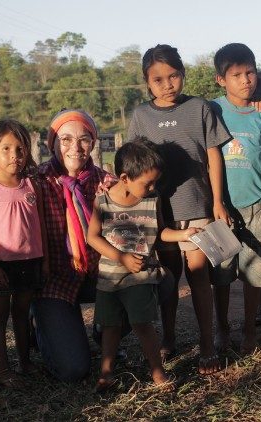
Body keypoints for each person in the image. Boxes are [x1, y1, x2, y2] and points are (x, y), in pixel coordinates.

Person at [127, 44, 232, 375]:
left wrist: (217, 201)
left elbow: (214, 155)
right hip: (160, 212)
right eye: (158, 79)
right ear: (147, 82)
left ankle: (206, 342)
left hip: (198, 205)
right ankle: (169, 337)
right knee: (168, 279)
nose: (167, 84)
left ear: (182, 74)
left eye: (173, 76)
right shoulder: (141, 116)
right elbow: (131, 161)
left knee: (199, 276)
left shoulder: (200, 108)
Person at [87, 138, 192, 391]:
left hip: (141, 276)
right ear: (124, 178)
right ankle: (106, 373)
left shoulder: (151, 200)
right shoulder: (102, 202)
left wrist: (185, 235)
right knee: (110, 328)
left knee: (143, 325)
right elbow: (92, 237)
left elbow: (161, 232)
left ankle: (157, 372)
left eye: (155, 181)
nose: (153, 187)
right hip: (109, 278)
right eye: (148, 183)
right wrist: (121, 257)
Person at [31, 109, 116, 382]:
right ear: (51, 144)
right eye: (65, 139)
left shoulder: (107, 183)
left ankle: (104, 331)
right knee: (74, 370)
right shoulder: (36, 182)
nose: (75, 148)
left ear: (93, 142)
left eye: (84, 139)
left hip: (96, 276)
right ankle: (41, 324)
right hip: (54, 281)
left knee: (156, 283)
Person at [209, 43, 261, 354]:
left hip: (258, 206)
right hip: (221, 208)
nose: (245, 80)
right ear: (221, 80)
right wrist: (216, 203)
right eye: (236, 74)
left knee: (256, 274)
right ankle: (222, 328)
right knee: (222, 275)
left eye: (250, 72)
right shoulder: (211, 110)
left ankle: (250, 328)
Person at [0, 119, 48, 388]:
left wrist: (46, 262)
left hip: (31, 262)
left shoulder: (32, 186)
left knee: (22, 312)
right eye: (5, 149)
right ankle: (3, 370)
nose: (14, 156)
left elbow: (41, 226)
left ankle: (24, 362)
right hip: (1, 265)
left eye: (19, 148)